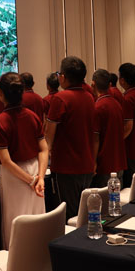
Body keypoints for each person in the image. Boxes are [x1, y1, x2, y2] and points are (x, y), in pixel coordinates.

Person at [0, 72, 48, 249]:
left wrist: (32, 180)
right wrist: (40, 177)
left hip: (15, 176)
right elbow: (44, 149)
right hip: (35, 170)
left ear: (0, 93)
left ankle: (16, 259)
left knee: (15, 220)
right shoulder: (32, 116)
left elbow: (6, 161)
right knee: (37, 218)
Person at [46, 56, 96, 219]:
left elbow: (49, 136)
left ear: (63, 77)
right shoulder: (89, 97)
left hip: (66, 167)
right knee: (83, 215)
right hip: (86, 164)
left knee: (68, 215)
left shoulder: (60, 99)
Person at [91, 69, 126, 188]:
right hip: (119, 161)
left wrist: (93, 162)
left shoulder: (98, 107)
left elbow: (95, 139)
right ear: (110, 85)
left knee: (105, 198)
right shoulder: (116, 104)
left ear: (93, 84)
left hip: (105, 163)